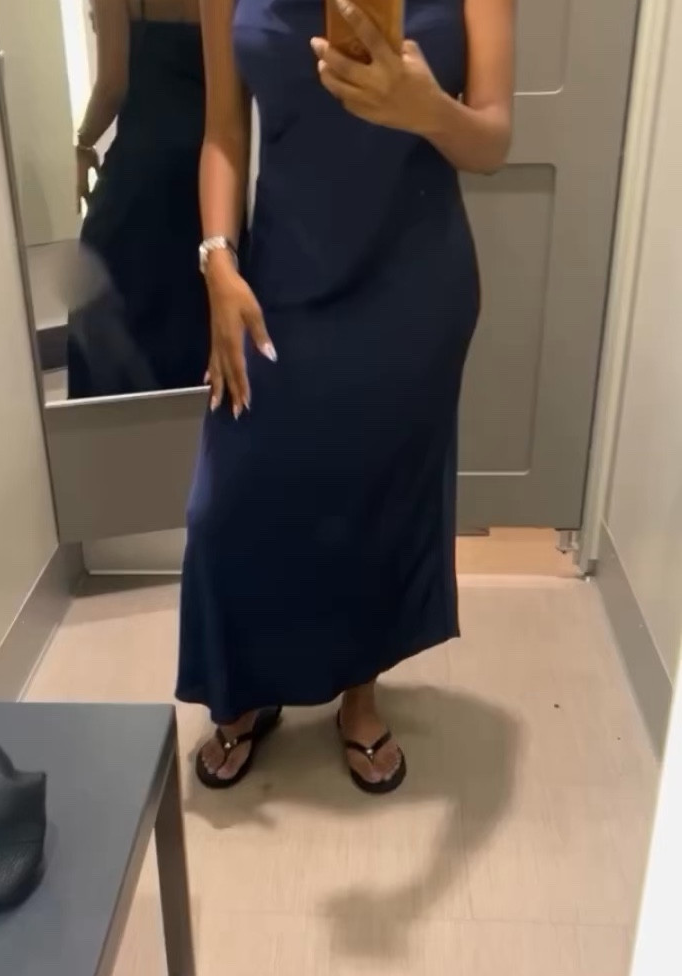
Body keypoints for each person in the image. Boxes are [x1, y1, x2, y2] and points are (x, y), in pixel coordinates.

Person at [177, 0, 515, 793]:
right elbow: (223, 131)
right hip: (278, 281)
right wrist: (217, 260)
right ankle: (243, 683)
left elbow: (494, 138)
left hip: (411, 288)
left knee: (374, 500)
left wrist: (428, 109)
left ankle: (360, 695)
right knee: (226, 505)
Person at [68, 0, 208, 397]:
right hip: (204, 173)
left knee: (104, 304)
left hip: (140, 171)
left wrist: (82, 144)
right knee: (194, 312)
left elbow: (112, 85)